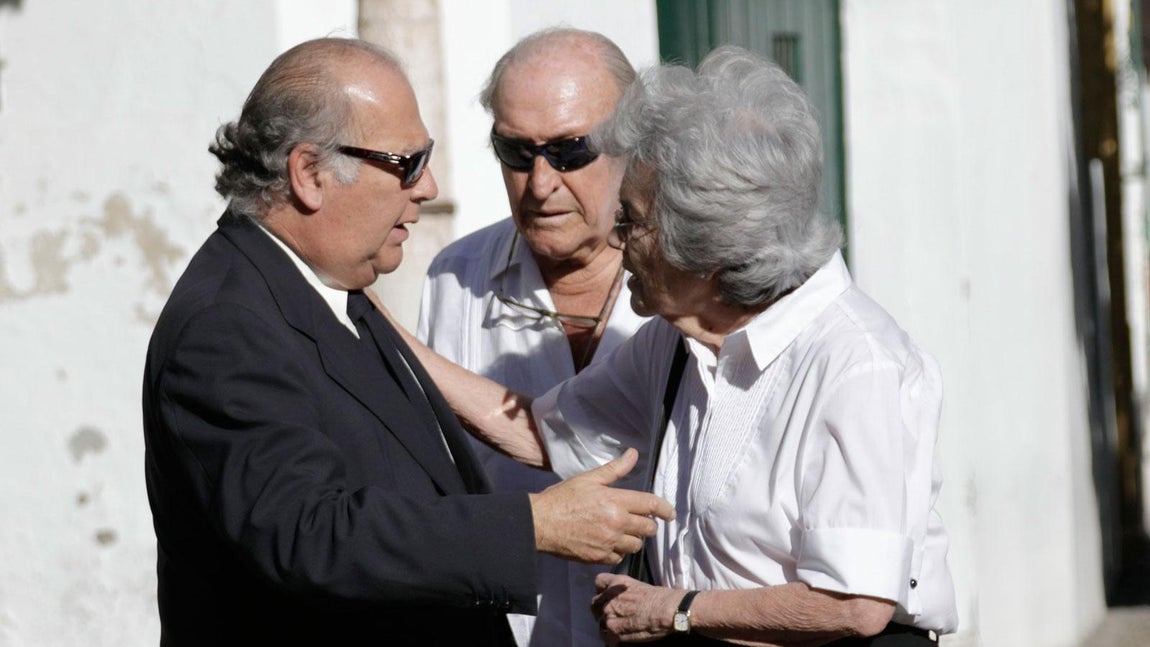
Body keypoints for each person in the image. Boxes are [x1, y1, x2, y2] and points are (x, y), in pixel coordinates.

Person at [398, 46, 959, 645]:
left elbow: (854, 604)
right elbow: (545, 432)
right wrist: (372, 325)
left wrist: (675, 610)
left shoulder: (853, 364)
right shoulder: (676, 344)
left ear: (706, 241)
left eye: (633, 221)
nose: (617, 237)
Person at [140, 37, 672, 646]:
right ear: (310, 174)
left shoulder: (331, 294)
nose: (428, 188)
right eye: (407, 164)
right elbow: (309, 534)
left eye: (570, 150)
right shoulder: (229, 326)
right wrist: (532, 525)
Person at [416, 28, 649, 647]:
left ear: (634, 143)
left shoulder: (692, 282)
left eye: (570, 152)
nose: (540, 183)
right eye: (516, 154)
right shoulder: (456, 278)